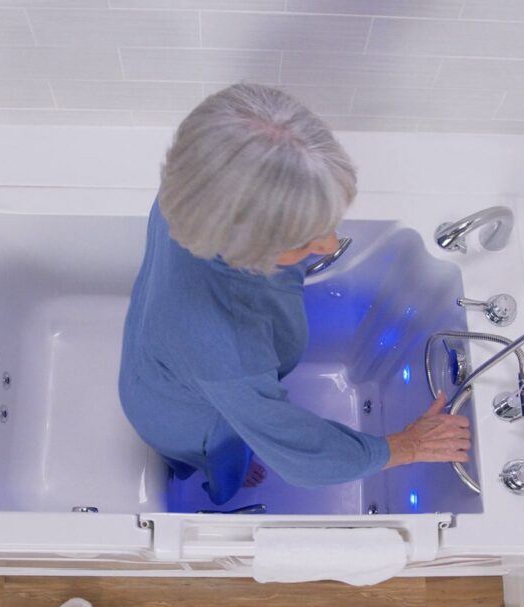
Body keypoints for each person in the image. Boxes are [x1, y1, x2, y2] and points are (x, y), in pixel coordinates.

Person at [119, 83, 471, 506]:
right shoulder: (226, 348)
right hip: (186, 420)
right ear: (243, 247)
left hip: (155, 364)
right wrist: (405, 446)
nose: (329, 245)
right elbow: (303, 461)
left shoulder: (198, 183)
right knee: (232, 454)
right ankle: (225, 466)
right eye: (305, 240)